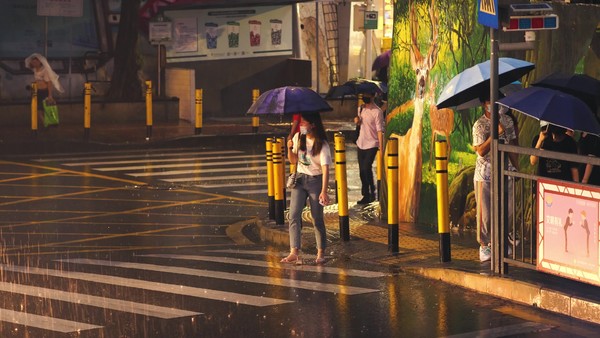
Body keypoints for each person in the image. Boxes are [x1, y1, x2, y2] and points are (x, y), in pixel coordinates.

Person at [282, 112, 332, 265]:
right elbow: (293, 160)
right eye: (301, 123)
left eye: (304, 123)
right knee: (293, 215)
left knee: (317, 218)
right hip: (300, 180)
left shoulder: (322, 144)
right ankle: (294, 252)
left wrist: (324, 191)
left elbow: (326, 170)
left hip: (315, 182)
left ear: (313, 125)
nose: (301, 126)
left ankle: (320, 252)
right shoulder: (298, 138)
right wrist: (289, 148)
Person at [472, 100, 519, 262]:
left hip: (506, 170)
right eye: (490, 101)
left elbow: (513, 144)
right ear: (484, 104)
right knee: (485, 213)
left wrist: (516, 166)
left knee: (508, 208)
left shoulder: (507, 120)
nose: (494, 105)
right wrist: (495, 134)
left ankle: (502, 240)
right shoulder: (479, 124)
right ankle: (484, 244)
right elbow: (480, 151)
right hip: (485, 174)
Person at [354, 90, 384, 204]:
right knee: (362, 171)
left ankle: (372, 191)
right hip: (360, 142)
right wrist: (357, 121)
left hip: (372, 143)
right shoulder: (361, 109)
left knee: (366, 168)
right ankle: (366, 195)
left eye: (367, 95)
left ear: (372, 96)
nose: (364, 97)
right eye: (363, 95)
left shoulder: (377, 112)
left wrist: (381, 147)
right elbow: (359, 124)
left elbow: (380, 130)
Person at [24, 53, 64, 126]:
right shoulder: (35, 70)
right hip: (37, 91)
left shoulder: (45, 70)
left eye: (36, 61)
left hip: (44, 91)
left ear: (40, 62)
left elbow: (49, 83)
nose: (34, 63)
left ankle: (47, 123)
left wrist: (50, 95)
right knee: (37, 108)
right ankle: (45, 123)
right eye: (33, 61)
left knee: (43, 108)